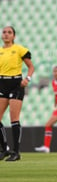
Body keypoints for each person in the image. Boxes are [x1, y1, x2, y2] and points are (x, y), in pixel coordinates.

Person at [0, 26, 34, 161]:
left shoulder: (19, 49)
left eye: (9, 32)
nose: (6, 34)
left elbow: (31, 67)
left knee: (14, 118)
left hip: (16, 84)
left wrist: (27, 79)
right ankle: (5, 149)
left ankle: (16, 152)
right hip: (2, 84)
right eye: (4, 32)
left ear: (14, 36)